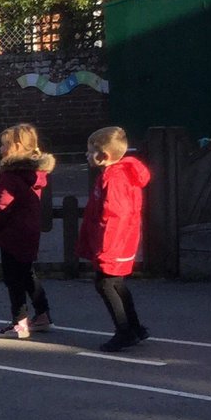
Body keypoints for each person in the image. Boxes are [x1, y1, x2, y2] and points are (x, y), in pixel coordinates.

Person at [77, 126, 152, 353]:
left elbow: (115, 215)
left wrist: (105, 247)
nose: (87, 155)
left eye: (91, 152)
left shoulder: (115, 178)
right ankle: (134, 327)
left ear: (104, 156)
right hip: (118, 240)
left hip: (114, 242)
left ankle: (124, 331)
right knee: (115, 283)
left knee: (106, 283)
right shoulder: (115, 175)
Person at [0, 123, 54, 339]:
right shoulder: (34, 173)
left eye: (4, 146)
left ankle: (19, 322)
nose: (1, 150)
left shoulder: (12, 176)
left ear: (17, 146)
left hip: (12, 233)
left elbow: (1, 206)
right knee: (27, 273)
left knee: (13, 279)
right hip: (29, 231)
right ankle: (42, 314)